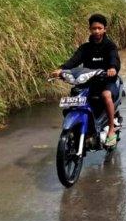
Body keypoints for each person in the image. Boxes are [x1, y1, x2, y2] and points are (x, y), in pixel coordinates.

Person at [51, 13, 120, 147]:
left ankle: (111, 129)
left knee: (106, 95)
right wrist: (61, 69)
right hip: (89, 81)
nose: (97, 31)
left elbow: (114, 58)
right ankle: (80, 128)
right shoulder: (85, 48)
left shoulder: (110, 46)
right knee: (75, 96)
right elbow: (74, 60)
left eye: (99, 28)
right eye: (94, 28)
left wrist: (112, 68)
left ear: (105, 29)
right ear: (90, 29)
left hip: (106, 81)